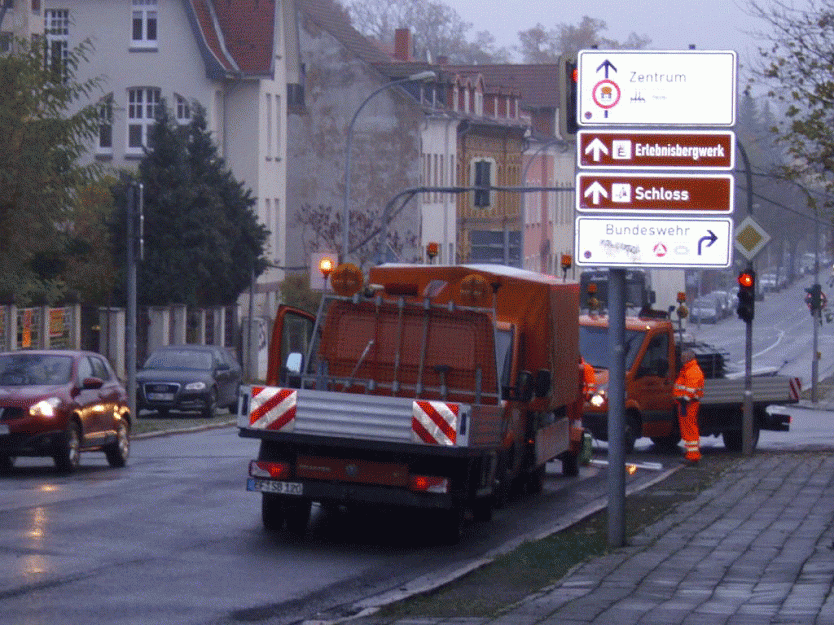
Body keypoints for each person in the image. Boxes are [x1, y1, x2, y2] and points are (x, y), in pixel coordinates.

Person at [674, 349, 705, 462]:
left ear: (689, 358)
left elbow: (691, 389)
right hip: (686, 403)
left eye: (683, 357)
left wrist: (684, 400)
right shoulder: (688, 369)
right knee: (687, 428)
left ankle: (693, 455)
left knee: (690, 428)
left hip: (689, 404)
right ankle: (690, 453)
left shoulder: (692, 370)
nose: (681, 359)